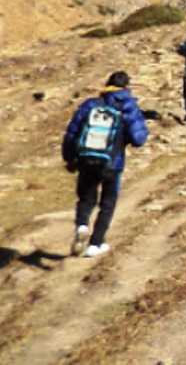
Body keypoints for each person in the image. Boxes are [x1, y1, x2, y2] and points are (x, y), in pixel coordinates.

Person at [62, 71, 149, 258]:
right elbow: (139, 138)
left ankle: (82, 225)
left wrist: (69, 158)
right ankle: (95, 243)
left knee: (86, 198)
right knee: (107, 203)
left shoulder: (91, 104)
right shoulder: (128, 106)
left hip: (86, 160)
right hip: (113, 163)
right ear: (127, 87)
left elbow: (72, 132)